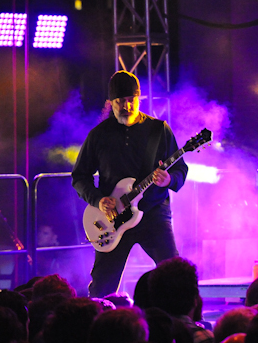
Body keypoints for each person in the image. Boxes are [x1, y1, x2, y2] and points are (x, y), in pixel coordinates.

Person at [72, 70, 189, 297]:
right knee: (102, 288)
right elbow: (79, 176)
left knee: (175, 275)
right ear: (111, 103)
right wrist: (98, 200)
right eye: (120, 101)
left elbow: (180, 169)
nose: (126, 106)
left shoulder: (158, 130)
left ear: (139, 98)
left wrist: (169, 179)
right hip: (113, 218)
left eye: (130, 100)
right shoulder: (99, 135)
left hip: (154, 214)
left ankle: (186, 323)